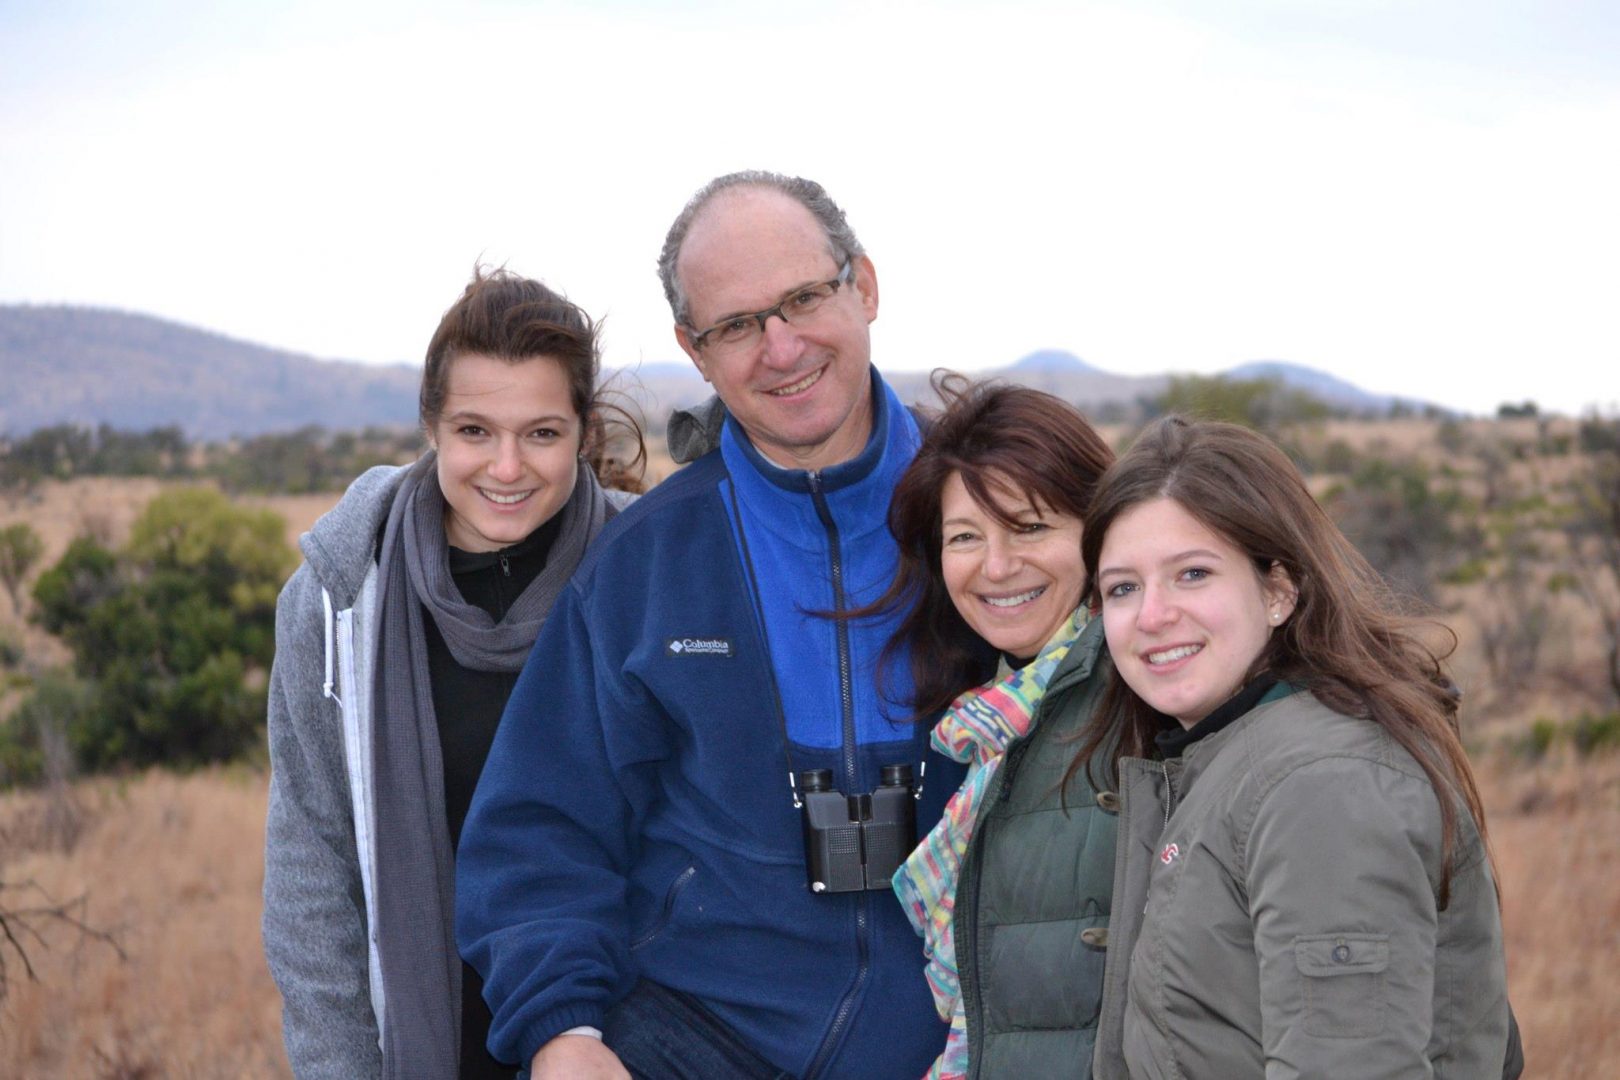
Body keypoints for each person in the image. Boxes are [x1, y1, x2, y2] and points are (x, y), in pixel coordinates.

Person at [455, 171, 968, 1080]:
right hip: (695, 1041)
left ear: (867, 288)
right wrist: (562, 1030)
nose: (780, 348)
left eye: (804, 298)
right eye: (736, 325)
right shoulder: (646, 566)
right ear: (696, 350)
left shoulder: (999, 523)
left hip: (964, 1039)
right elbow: (539, 831)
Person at [262, 268, 642, 1079]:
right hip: (424, 1042)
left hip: (620, 1044)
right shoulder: (340, 599)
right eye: (475, 430)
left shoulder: (643, 579)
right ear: (432, 425)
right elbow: (312, 876)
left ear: (582, 430)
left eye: (541, 433)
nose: (506, 467)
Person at [1078, 416, 1513, 1078]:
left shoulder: (1322, 783)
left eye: (1193, 574)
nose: (1152, 615)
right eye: (1122, 588)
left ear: (1279, 590)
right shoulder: (1225, 758)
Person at [874, 377, 1121, 1080]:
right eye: (964, 537)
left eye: (1031, 527)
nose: (997, 566)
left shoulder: (1139, 709)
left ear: (1100, 531)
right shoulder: (993, 723)